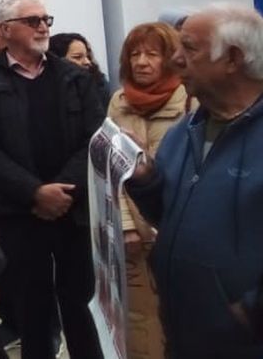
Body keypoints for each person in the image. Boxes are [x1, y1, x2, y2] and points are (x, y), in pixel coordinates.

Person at [0, 0, 104, 359]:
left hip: (71, 211)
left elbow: (94, 137)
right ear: (7, 29)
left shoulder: (74, 77)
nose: (43, 26)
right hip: (19, 215)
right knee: (33, 310)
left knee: (80, 303)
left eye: (46, 19)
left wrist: (62, 193)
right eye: (33, 20)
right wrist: (34, 193)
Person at [126, 3, 263, 358]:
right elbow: (169, 216)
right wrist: (145, 181)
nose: (176, 60)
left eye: (189, 48)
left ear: (233, 59)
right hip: (184, 334)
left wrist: (252, 312)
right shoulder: (182, 133)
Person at [107, 22, 190, 359]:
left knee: (185, 316)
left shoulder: (189, 101)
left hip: (179, 228)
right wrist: (126, 223)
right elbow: (113, 166)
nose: (141, 62)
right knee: (140, 320)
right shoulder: (118, 102)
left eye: (151, 54)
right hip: (133, 237)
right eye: (135, 54)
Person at [51, 31, 114, 108]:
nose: (87, 62)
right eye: (77, 57)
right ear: (57, 60)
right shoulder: (48, 92)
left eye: (88, 57)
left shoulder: (100, 85)